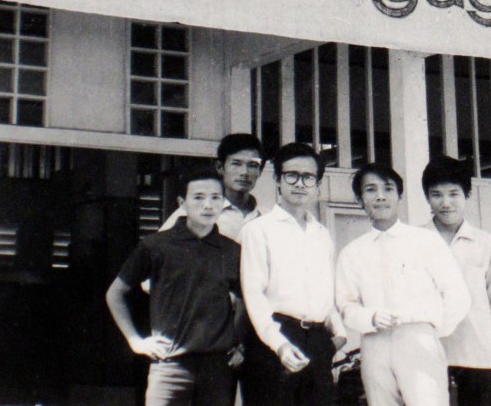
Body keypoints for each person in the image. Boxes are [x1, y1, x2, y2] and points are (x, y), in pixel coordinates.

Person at [335, 162, 471, 406]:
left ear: (399, 195)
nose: (380, 196)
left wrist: (430, 330)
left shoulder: (425, 241)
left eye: (388, 189)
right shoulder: (352, 252)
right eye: (370, 190)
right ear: (359, 199)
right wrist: (370, 318)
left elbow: (457, 295)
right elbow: (346, 305)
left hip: (418, 338)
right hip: (374, 341)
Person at [106, 169, 243, 406]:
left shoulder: (232, 250)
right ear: (182, 203)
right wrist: (136, 341)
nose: (208, 205)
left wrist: (238, 342)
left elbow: (245, 300)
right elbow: (115, 294)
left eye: (215, 197)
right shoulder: (156, 246)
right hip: (169, 366)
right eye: (198, 197)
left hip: (217, 368)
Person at [240, 141, 347, 406]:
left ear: (317, 184)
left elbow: (327, 294)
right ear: (278, 180)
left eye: (308, 177)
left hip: (318, 340)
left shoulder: (321, 234)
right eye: (292, 175)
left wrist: (339, 335)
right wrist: (279, 344)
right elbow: (253, 294)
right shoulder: (258, 230)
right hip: (274, 340)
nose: (300, 183)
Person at [422, 155, 491, 406]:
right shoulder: (415, 240)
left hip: (475, 355)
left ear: (467, 195)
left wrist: (475, 328)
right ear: (427, 197)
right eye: (436, 195)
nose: (445, 203)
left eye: (454, 194)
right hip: (426, 353)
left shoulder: (487, 244)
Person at [159, 133, 265, 240]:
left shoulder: (266, 215)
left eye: (252, 165)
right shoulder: (194, 211)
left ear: (260, 171)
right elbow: (161, 245)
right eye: (236, 164)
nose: (244, 172)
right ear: (220, 167)